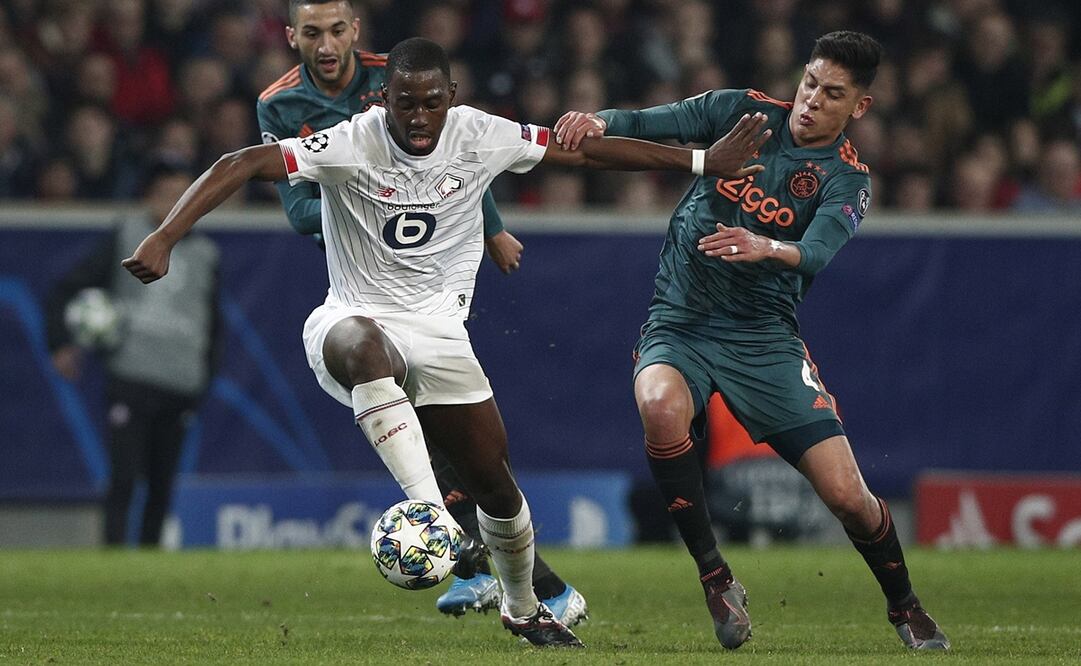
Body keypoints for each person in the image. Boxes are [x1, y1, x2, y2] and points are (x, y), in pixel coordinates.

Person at [121, 37, 768, 648]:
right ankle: (430, 513)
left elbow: (586, 155)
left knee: (500, 494)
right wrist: (165, 235)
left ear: (451, 95)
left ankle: (522, 609)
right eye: (406, 102)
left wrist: (702, 161)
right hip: (352, 317)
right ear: (384, 100)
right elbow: (244, 162)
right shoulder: (351, 141)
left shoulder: (481, 134)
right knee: (364, 346)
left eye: (433, 101)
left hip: (440, 338)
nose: (420, 115)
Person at [554, 30, 950, 651]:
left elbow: (817, 251)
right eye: (810, 83)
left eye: (833, 94)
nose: (812, 100)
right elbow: (648, 121)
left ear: (860, 108)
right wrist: (592, 119)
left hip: (762, 339)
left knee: (848, 496)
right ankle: (716, 578)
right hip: (679, 319)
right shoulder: (742, 112)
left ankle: (904, 605)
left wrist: (767, 246)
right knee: (659, 407)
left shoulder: (848, 180)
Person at [256, 0, 567, 621]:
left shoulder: (397, 77)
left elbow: (451, 162)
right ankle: (508, 576)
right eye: (311, 32)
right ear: (291, 36)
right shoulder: (280, 105)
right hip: (363, 274)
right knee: (426, 435)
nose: (326, 44)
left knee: (452, 444)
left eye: (336, 30)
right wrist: (374, 210)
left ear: (356, 31)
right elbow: (298, 211)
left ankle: (515, 579)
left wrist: (490, 225)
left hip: (424, 281)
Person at [46, 161, 220, 547]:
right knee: (123, 477)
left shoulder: (207, 254)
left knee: (162, 484)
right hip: (131, 376)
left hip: (180, 382)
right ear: (149, 197)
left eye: (185, 196)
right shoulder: (127, 235)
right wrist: (60, 342)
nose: (176, 204)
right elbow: (67, 287)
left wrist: (204, 376)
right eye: (168, 195)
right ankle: (113, 556)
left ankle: (148, 559)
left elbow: (213, 323)